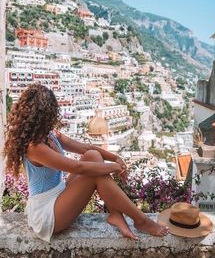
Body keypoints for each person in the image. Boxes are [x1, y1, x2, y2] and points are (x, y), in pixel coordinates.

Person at [4, 84, 169, 242]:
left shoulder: (50, 135)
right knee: (93, 176)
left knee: (92, 155)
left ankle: (115, 214)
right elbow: (77, 167)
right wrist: (113, 167)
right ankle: (141, 221)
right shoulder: (34, 147)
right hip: (46, 212)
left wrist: (114, 158)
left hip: (59, 193)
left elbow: (86, 148)